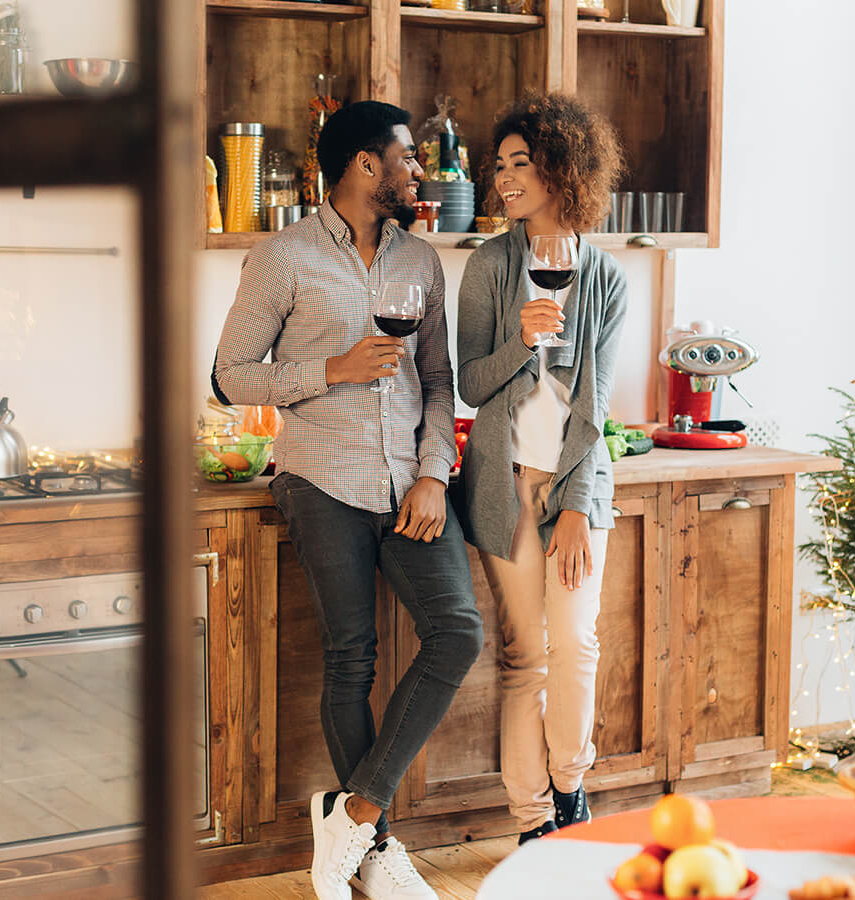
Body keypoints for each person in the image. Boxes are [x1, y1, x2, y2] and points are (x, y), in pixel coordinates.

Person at [214, 100, 483, 900]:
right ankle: (380, 854)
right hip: (322, 477)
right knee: (350, 656)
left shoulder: (420, 262)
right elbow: (230, 375)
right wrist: (330, 370)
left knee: (456, 632)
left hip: (410, 481)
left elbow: (438, 383)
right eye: (407, 158)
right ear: (366, 166)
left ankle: (354, 813)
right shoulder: (282, 257)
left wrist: (435, 473)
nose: (418, 171)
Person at [455, 93, 627, 845]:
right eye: (499, 167)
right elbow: (469, 382)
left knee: (578, 645)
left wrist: (580, 508)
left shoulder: (607, 280)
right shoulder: (490, 265)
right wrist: (520, 344)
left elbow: (597, 407)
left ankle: (571, 788)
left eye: (520, 164)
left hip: (575, 488)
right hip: (503, 486)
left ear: (565, 168)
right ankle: (533, 825)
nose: (504, 180)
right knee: (525, 655)